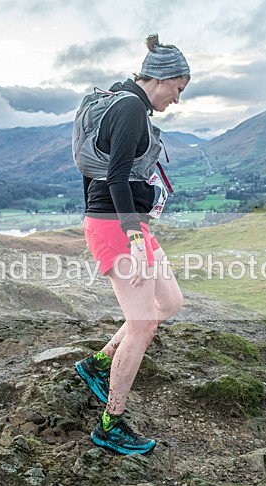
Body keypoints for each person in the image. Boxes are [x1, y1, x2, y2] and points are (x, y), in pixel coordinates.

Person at [72, 34, 190, 455]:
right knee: (143, 324)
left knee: (170, 301)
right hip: (115, 228)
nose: (176, 100)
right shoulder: (127, 109)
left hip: (123, 224)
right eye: (178, 89)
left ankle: (98, 363)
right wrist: (134, 238)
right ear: (163, 79)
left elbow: (97, 170)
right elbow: (116, 177)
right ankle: (111, 424)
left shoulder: (125, 103)